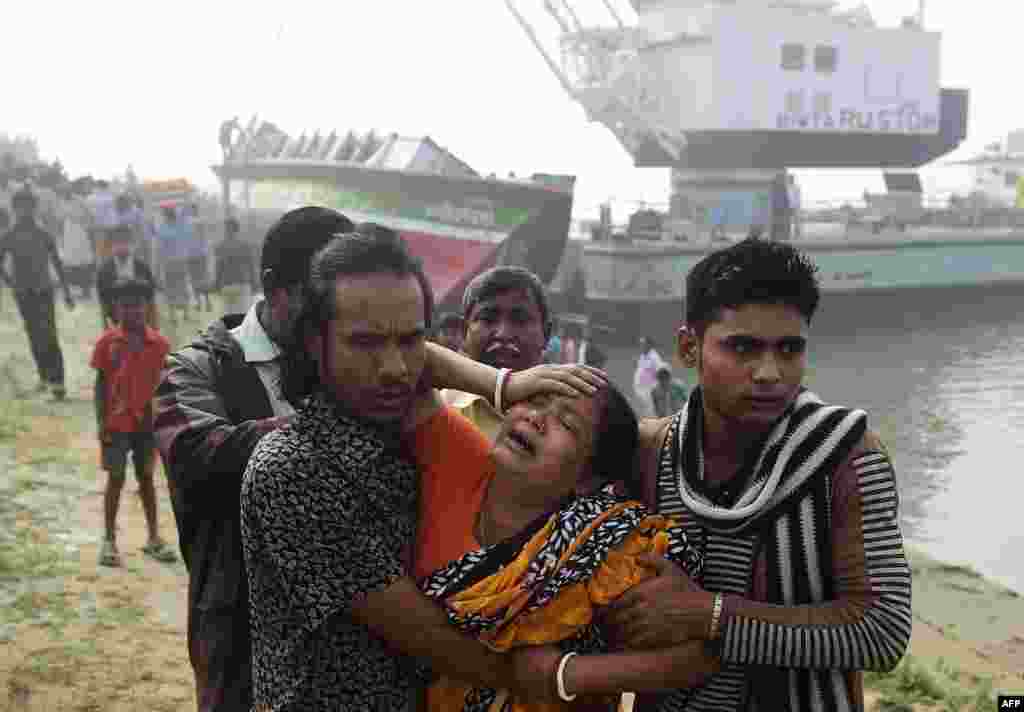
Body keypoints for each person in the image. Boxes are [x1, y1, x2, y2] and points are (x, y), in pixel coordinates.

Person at [241, 228, 710, 711]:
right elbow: (425, 636)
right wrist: (562, 679)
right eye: (365, 342)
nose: (395, 368)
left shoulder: (590, 534)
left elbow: (689, 651)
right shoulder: (295, 466)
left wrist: (503, 386)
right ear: (314, 341)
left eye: (410, 339)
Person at [605, 237, 912, 711]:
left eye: (789, 350)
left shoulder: (845, 455)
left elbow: (882, 632)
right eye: (743, 348)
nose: (769, 372)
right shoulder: (647, 452)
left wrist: (709, 616)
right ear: (689, 348)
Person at [411, 374, 714, 710]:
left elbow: (698, 657)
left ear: (589, 478)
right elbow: (408, 364)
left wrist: (568, 674)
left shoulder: (602, 543)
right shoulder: (460, 459)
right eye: (534, 400)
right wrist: (504, 385)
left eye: (567, 424)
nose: (536, 419)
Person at [154, 206, 354, 712]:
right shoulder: (196, 370)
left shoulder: (350, 365)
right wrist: (336, 423)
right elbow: (198, 456)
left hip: (346, 638)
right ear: (274, 286)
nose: (331, 322)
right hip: (238, 635)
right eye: (319, 303)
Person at [91, 279, 176, 567]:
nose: (133, 312)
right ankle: (109, 541)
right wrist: (102, 423)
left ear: (147, 308)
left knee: (147, 479)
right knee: (115, 478)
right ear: (117, 308)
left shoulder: (161, 345)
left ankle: (153, 538)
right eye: (126, 306)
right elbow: (100, 386)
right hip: (116, 423)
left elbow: (167, 388)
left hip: (147, 425)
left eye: (138, 306)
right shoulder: (107, 343)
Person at [443, 266, 552, 441]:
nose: (503, 334)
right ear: (464, 331)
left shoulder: (566, 420)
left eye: (520, 319)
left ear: (546, 333)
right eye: (487, 318)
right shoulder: (436, 408)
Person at [0, 186, 75, 400]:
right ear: (15, 209)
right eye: (21, 208)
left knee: (49, 334)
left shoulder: (43, 234)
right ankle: (44, 377)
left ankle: (58, 383)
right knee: (34, 335)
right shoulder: (9, 236)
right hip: (23, 293)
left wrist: (67, 292)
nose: (25, 211)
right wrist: (10, 282)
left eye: (28, 207)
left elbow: (58, 263)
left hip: (44, 291)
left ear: (34, 209)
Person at [96, 224, 158, 329]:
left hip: (142, 322)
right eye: (118, 243)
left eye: (125, 242)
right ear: (112, 245)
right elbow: (103, 302)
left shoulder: (142, 268)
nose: (121, 246)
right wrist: (106, 327)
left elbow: (151, 299)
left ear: (132, 244)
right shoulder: (104, 271)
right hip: (116, 323)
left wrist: (153, 326)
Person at [157, 204, 193, 325]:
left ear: (166, 216)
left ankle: (173, 314)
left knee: (172, 288)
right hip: (180, 260)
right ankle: (185, 313)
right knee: (181, 286)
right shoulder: (182, 226)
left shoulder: (163, 229)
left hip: (170, 262)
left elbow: (161, 248)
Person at [214, 216, 257, 315]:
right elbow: (251, 266)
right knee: (242, 316)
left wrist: (216, 284)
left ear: (226, 230)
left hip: (226, 285)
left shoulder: (220, 246)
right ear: (237, 229)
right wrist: (254, 283)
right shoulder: (245, 246)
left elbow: (218, 268)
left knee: (229, 317)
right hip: (242, 284)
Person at [185, 204, 213, 313]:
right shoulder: (201, 222)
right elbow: (204, 237)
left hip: (193, 255)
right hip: (200, 254)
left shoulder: (188, 223)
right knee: (202, 278)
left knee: (195, 279)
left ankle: (200, 302)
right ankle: (206, 302)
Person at [632, 336, 667, 417]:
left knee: (650, 409)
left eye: (643, 344)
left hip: (649, 387)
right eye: (640, 344)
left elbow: (660, 371)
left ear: (649, 345)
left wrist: (658, 387)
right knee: (643, 409)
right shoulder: (643, 355)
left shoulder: (654, 357)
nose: (641, 346)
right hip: (640, 387)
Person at [787, 174, 803, 240]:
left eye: (791, 179)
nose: (790, 180)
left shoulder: (796, 187)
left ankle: (797, 234)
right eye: (789, 179)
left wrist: (798, 205)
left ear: (793, 179)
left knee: (796, 221)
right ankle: (789, 234)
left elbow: (798, 197)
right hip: (788, 206)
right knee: (789, 221)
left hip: (795, 206)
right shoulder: (786, 187)